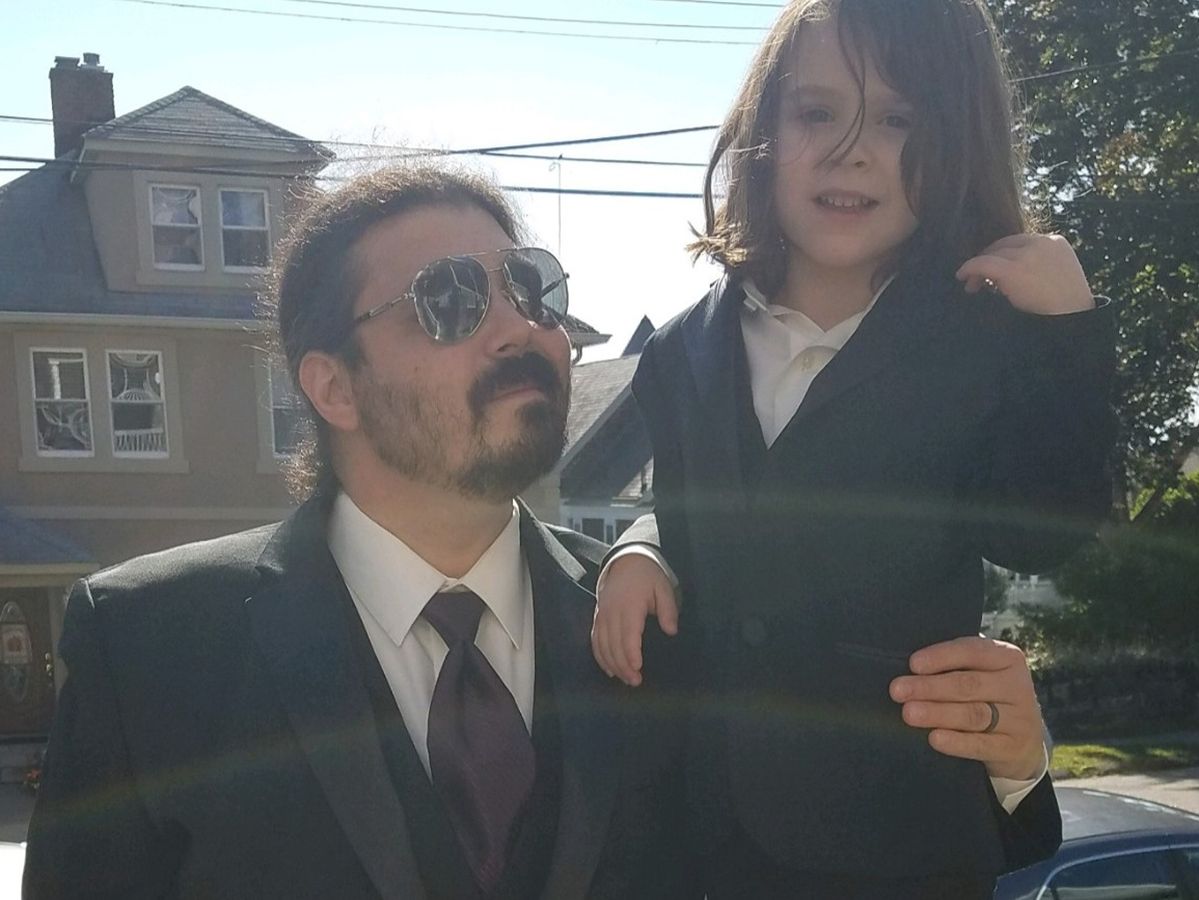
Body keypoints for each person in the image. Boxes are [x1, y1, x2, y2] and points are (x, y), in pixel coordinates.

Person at [24, 164, 693, 899]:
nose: (518, 329)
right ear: (335, 387)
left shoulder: (653, 621)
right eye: (450, 299)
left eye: (531, 290)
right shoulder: (146, 650)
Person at [591, 0, 1115, 897]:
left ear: (959, 139)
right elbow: (693, 516)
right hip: (704, 837)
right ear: (763, 131)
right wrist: (642, 546)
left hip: (902, 839)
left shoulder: (980, 338)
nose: (851, 150)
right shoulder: (682, 350)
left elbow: (1041, 534)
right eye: (817, 111)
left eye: (899, 118)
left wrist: (1069, 335)